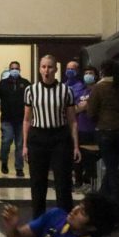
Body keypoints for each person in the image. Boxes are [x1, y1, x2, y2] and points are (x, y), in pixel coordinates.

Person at [23, 54, 80, 217]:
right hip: (37, 137)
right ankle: (38, 222)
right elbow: (26, 120)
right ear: (39, 69)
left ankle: (65, 222)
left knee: (63, 183)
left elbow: (72, 120)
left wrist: (76, 146)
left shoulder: (66, 91)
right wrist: (25, 145)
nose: (46, 70)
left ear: (55, 69)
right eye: (43, 66)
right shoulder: (31, 90)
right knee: (37, 183)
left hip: (60, 137)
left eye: (49, 67)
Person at [86, 59, 119, 226]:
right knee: (111, 169)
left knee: (112, 171)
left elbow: (91, 112)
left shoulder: (99, 88)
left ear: (102, 72)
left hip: (105, 131)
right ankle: (95, 206)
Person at [0, 60, 29, 177]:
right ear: (9, 69)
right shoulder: (3, 83)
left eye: (16, 68)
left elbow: (32, 100)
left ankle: (19, 168)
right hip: (7, 119)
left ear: (20, 70)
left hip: (21, 120)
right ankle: (4, 161)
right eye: (12, 68)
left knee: (19, 144)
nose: (14, 70)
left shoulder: (26, 83)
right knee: (6, 141)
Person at [66, 60, 96, 192]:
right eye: (87, 73)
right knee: (77, 156)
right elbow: (75, 108)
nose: (88, 75)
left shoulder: (96, 90)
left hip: (93, 129)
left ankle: (89, 181)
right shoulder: (82, 90)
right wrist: (80, 108)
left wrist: (83, 107)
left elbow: (92, 108)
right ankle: (78, 182)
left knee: (90, 158)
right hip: (79, 128)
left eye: (91, 73)